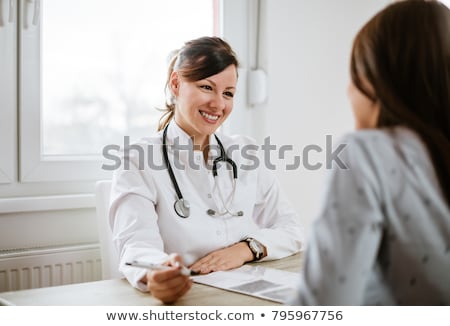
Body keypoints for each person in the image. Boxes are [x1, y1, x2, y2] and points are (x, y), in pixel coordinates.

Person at [109, 36, 304, 303]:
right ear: (176, 84)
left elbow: (291, 230)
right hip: (188, 297)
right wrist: (157, 275)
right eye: (206, 87)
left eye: (228, 93)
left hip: (243, 295)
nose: (218, 104)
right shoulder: (137, 160)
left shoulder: (245, 153)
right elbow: (137, 247)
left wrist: (245, 249)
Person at [291, 0, 450, 305]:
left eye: (353, 75)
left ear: (374, 81)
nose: (348, 90)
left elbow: (325, 306)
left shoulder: (367, 153)